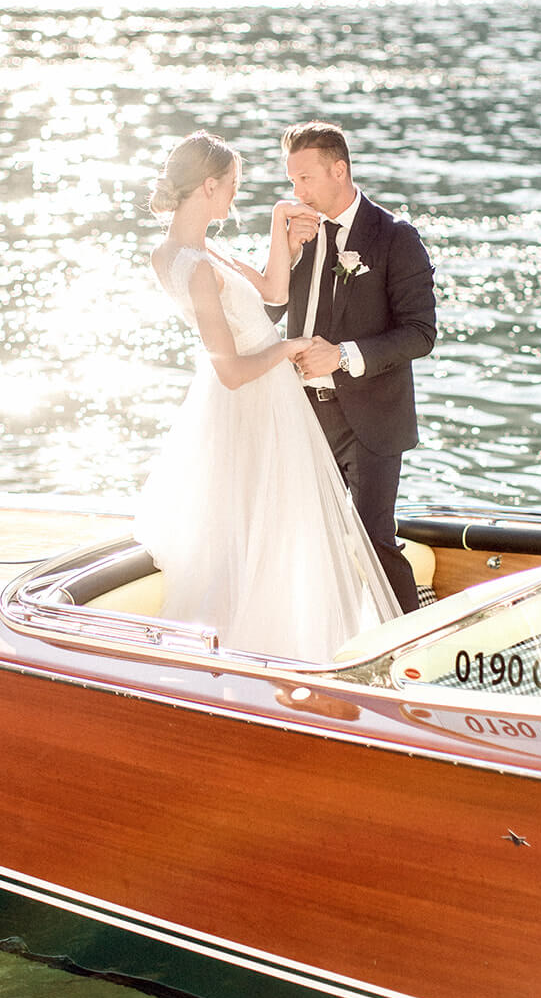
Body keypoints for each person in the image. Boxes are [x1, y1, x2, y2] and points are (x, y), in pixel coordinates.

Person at [136, 130, 401, 662]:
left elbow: (273, 294)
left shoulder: (185, 250)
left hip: (258, 396)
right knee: (277, 524)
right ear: (209, 186)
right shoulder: (199, 267)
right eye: (232, 186)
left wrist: (284, 229)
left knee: (267, 522)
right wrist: (293, 347)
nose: (236, 196)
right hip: (254, 396)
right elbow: (232, 369)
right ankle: (283, 648)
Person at [280, 121, 436, 612]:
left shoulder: (395, 237)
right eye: (292, 180)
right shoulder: (296, 235)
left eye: (305, 179)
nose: (296, 191)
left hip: (371, 421)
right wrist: (284, 254)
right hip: (304, 415)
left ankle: (412, 649)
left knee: (374, 541)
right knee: (304, 541)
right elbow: (264, 314)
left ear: (339, 169)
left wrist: (344, 355)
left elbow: (420, 333)